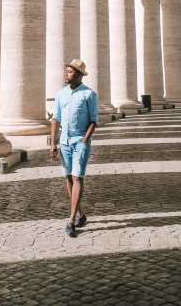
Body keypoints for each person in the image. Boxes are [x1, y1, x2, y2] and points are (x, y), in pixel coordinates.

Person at [50, 59, 99, 237]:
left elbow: (94, 120)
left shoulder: (89, 95)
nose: (66, 74)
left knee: (78, 177)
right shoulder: (60, 94)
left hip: (80, 141)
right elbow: (55, 119)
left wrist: (85, 140)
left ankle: (71, 221)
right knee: (69, 178)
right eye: (66, 71)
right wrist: (52, 144)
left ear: (78, 75)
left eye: (69, 72)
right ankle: (80, 214)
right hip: (64, 142)